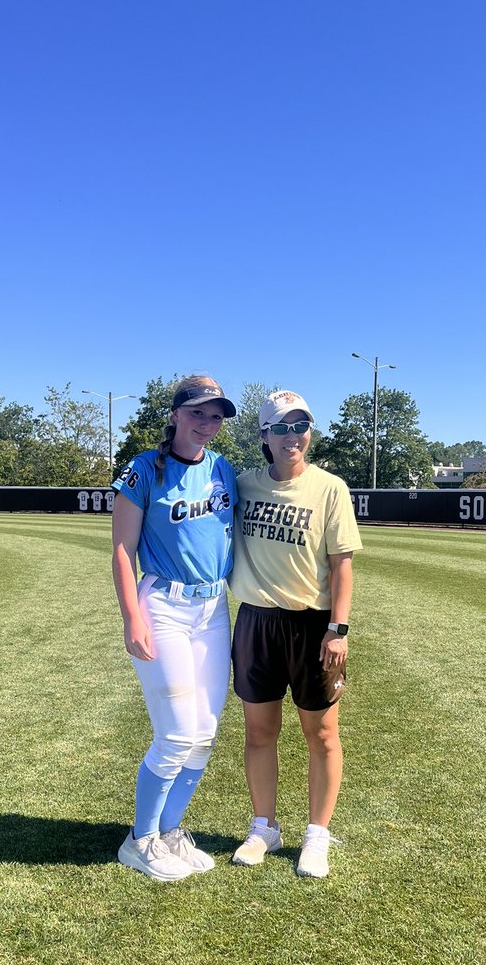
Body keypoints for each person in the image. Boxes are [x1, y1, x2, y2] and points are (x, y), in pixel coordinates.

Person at [229, 389, 362, 878]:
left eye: (300, 424)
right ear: (264, 435)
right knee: (260, 732)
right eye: (281, 427)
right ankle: (264, 827)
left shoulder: (330, 488)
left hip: (313, 626)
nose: (293, 436)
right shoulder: (242, 485)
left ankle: (317, 835)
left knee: (322, 733)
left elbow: (341, 565)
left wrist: (338, 629)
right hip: (256, 622)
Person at [112, 376, 237, 882]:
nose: (207, 424)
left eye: (216, 416)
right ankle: (139, 840)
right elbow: (122, 549)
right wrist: (131, 617)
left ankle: (169, 832)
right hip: (164, 604)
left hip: (214, 609)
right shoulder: (144, 469)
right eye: (198, 413)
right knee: (177, 733)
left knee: (204, 734)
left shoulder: (222, 468)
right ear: (175, 415)